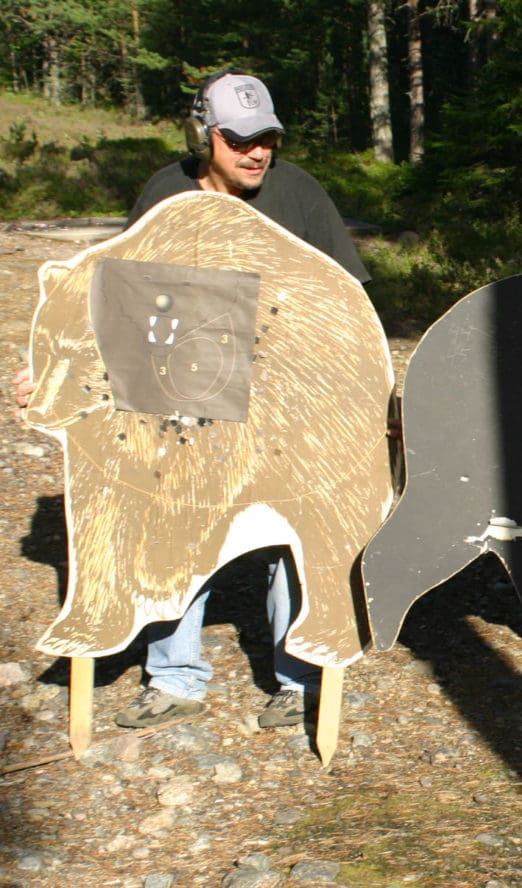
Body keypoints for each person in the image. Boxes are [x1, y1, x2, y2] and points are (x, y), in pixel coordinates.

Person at [14, 72, 372, 731]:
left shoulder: (298, 195)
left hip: (282, 400)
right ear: (205, 135)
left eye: (267, 138)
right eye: (240, 141)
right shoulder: (164, 194)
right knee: (171, 514)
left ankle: (296, 682)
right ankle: (175, 678)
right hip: (183, 396)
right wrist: (52, 372)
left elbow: (348, 301)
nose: (257, 153)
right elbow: (109, 300)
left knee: (294, 527)